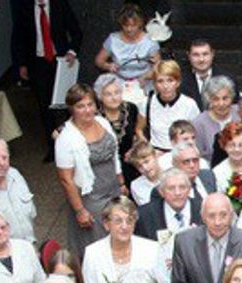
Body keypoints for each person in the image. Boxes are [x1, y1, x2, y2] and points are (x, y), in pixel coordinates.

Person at [55, 83, 124, 259]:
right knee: (98, 246)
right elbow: (66, 180)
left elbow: (114, 154)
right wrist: (80, 210)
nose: (87, 110)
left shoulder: (102, 122)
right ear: (72, 109)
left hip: (113, 190)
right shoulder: (66, 138)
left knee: (119, 235)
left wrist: (120, 181)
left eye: (90, 104)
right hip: (91, 199)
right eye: (80, 106)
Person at [83, 197, 170, 283]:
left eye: (129, 221)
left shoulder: (152, 249)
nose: (124, 226)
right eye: (118, 221)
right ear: (106, 224)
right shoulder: (93, 253)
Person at [11, 0, 82, 148]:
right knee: (44, 105)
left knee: (67, 102)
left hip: (60, 61)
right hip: (37, 63)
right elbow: (18, 38)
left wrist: (72, 51)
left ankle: (72, 141)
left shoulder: (59, 5)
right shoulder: (25, 8)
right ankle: (53, 146)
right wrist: (21, 64)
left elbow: (76, 31)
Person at [94, 4, 160, 93]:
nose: (129, 29)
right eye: (126, 25)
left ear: (140, 24)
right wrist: (108, 66)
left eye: (133, 25)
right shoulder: (113, 39)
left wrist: (145, 77)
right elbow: (99, 61)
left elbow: (157, 66)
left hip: (144, 82)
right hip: (119, 82)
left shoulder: (150, 41)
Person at [95, 73, 145, 186]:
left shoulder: (131, 108)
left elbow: (138, 133)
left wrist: (135, 149)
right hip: (105, 167)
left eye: (117, 92)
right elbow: (59, 132)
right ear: (100, 96)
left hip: (130, 163)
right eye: (108, 94)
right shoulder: (94, 115)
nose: (114, 98)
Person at [141, 60, 201, 152]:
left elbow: (198, 132)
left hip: (182, 152)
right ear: (154, 84)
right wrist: (150, 150)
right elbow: (139, 129)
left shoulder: (189, 104)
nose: (165, 86)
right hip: (157, 152)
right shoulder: (147, 103)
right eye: (160, 81)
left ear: (178, 82)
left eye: (170, 80)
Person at [135, 167, 202, 243]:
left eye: (182, 187)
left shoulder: (204, 209)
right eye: (171, 188)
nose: (177, 193)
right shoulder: (144, 215)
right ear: (162, 192)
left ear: (189, 189)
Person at [179, 39, 239, 110]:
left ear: (212, 54)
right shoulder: (180, 81)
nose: (201, 59)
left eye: (205, 54)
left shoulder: (228, 79)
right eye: (196, 55)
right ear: (189, 56)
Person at [192, 76, 239, 163]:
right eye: (215, 99)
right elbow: (199, 156)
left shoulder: (240, 113)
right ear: (208, 100)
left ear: (232, 97)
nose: (221, 104)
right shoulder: (199, 123)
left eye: (225, 98)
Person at [127, 141, 162, 206]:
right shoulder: (136, 186)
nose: (145, 168)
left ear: (155, 156)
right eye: (139, 166)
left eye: (146, 162)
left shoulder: (171, 170)